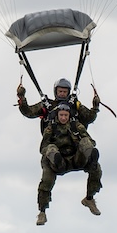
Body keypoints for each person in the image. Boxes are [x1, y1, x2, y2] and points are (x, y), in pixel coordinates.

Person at [18, 78, 101, 224]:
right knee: (47, 179)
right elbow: (28, 112)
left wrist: (95, 106)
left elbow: (89, 118)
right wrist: (21, 98)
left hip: (76, 156)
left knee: (94, 164)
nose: (62, 94)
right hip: (56, 159)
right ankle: (42, 212)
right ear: (55, 92)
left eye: (65, 92)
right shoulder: (48, 110)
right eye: (60, 91)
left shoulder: (75, 108)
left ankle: (89, 198)